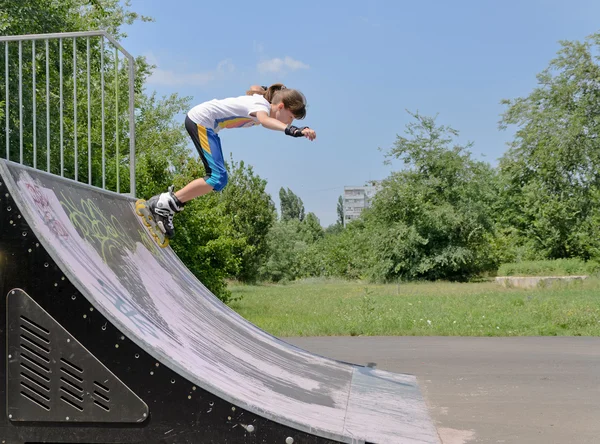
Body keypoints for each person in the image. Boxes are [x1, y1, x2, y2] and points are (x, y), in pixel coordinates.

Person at [145, 83, 316, 238]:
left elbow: (255, 88)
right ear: (280, 107)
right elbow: (265, 121)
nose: (289, 121)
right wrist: (292, 130)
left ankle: (167, 204)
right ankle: (164, 204)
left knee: (219, 179)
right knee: (217, 177)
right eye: (291, 117)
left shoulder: (261, 100)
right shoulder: (261, 106)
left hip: (207, 126)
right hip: (201, 121)